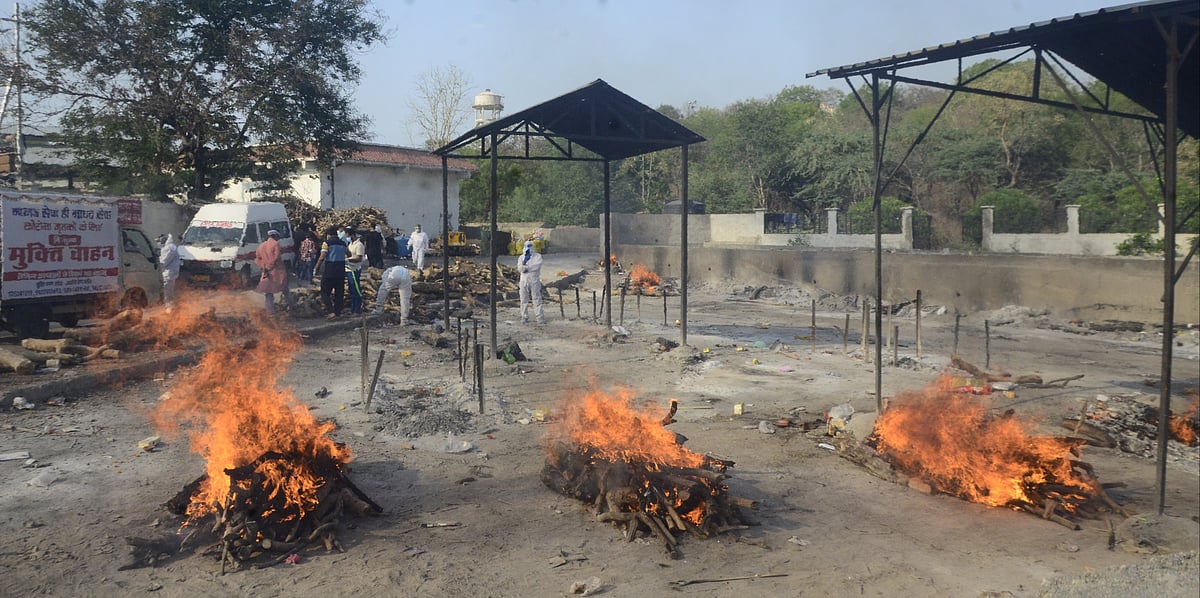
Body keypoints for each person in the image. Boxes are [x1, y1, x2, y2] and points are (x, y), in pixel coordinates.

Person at [254, 229, 293, 314]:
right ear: (275, 236)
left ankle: (270, 311)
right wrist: (270, 266)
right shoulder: (275, 244)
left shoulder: (262, 245)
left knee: (268, 293)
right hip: (278, 272)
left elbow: (257, 259)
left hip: (267, 273)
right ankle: (293, 307)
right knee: (285, 289)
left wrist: (264, 266)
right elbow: (276, 257)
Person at [312, 226, 348, 319]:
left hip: (330, 271)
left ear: (328, 235)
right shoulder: (343, 243)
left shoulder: (326, 243)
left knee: (325, 292)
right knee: (339, 293)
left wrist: (316, 268)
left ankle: (331, 311)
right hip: (341, 271)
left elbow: (322, 257)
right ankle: (338, 312)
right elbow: (349, 254)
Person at [517, 240, 545, 325]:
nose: (528, 248)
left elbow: (536, 266)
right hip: (523, 281)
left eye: (529, 246)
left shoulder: (538, 256)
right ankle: (524, 316)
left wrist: (526, 267)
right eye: (526, 246)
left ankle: (539, 318)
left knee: (536, 298)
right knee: (523, 299)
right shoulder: (521, 257)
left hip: (534, 280)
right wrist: (525, 261)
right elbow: (520, 268)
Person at [345, 228, 366, 315]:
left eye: (348, 235)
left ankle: (357, 309)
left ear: (352, 235)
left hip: (355, 269)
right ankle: (353, 309)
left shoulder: (359, 245)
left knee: (356, 289)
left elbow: (358, 258)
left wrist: (348, 259)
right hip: (349, 268)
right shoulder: (350, 244)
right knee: (351, 289)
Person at [157, 234, 180, 306]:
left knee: (167, 290)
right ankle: (168, 305)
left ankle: (169, 306)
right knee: (167, 289)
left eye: (159, 241)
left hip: (169, 273)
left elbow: (164, 261)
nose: (158, 242)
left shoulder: (170, 248)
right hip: (168, 272)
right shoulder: (168, 247)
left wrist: (155, 264)